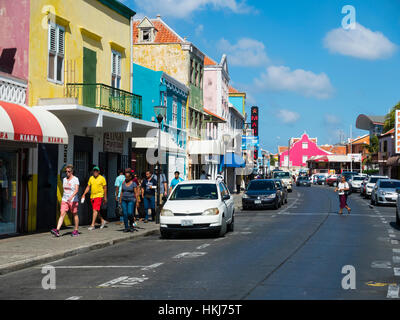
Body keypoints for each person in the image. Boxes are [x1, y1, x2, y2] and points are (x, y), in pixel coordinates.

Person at [51, 165, 80, 237]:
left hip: (73, 200)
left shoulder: (75, 179)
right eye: (66, 171)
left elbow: (76, 190)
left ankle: (76, 230)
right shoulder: (64, 179)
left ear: (72, 172)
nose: (67, 173)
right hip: (65, 200)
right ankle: (57, 230)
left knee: (74, 214)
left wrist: (71, 197)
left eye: (69, 171)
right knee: (62, 214)